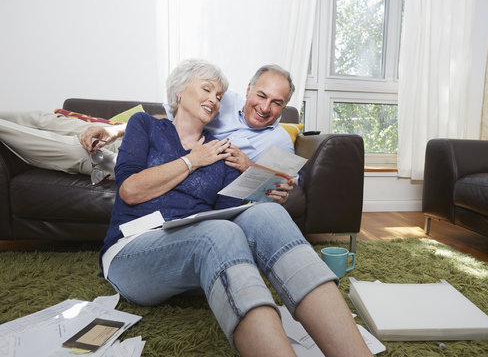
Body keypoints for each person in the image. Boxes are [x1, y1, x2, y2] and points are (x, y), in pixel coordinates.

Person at [102, 58, 372, 357]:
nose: (214, 100)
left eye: (218, 96)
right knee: (217, 232)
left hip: (192, 249)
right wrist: (194, 159)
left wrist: (267, 191)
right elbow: (130, 190)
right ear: (179, 91)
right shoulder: (147, 127)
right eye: (206, 89)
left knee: (266, 213)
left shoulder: (223, 149)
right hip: (132, 251)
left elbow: (233, 213)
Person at [0, 64, 297, 203]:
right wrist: (114, 130)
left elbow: (285, 185)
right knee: (46, 119)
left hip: (162, 163)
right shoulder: (223, 97)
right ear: (248, 90)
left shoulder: (280, 140)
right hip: (144, 139)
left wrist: (250, 167)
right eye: (261, 95)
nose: (265, 107)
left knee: (68, 148)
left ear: (285, 105)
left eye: (277, 102)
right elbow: (162, 118)